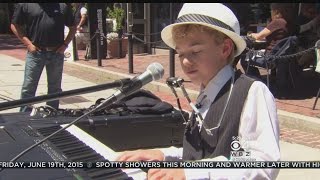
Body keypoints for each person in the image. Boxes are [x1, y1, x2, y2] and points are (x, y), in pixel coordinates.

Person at [116, 3, 280, 180]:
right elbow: (199, 153)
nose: (186, 61)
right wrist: (165, 156)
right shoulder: (207, 93)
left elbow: (263, 164)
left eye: (196, 51)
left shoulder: (252, 92)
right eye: (180, 53)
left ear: (225, 49)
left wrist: (191, 173)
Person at [10, 3, 76, 112]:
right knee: (28, 87)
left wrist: (65, 45)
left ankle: (51, 113)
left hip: (56, 53)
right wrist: (28, 44)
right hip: (36, 53)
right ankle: (24, 116)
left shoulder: (62, 6)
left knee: (55, 88)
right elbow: (14, 25)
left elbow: (73, 27)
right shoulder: (26, 5)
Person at [240, 3, 298, 97]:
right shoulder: (289, 23)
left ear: (276, 11)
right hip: (281, 55)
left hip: (269, 58)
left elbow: (259, 36)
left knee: (244, 59)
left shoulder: (277, 22)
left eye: (271, 11)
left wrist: (249, 35)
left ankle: (257, 84)